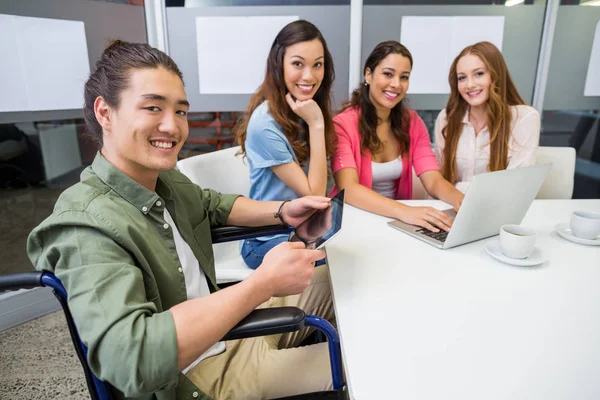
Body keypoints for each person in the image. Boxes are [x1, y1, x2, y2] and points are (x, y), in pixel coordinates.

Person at [27, 40, 336, 400]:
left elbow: (209, 204)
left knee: (335, 274)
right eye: (153, 108)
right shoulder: (84, 225)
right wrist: (261, 284)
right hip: (199, 377)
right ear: (105, 112)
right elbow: (132, 360)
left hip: (227, 326)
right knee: (364, 359)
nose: (172, 127)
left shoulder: (161, 178)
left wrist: (283, 211)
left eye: (181, 112)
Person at [331, 41, 464, 233]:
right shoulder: (342, 125)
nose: (396, 84)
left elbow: (433, 180)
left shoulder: (413, 123)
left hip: (395, 222)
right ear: (368, 74)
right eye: (388, 74)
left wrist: (462, 201)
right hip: (352, 219)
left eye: (404, 77)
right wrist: (404, 211)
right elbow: (348, 189)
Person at [235, 20, 335, 268]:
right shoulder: (265, 123)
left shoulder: (305, 109)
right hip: (264, 240)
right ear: (279, 64)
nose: (309, 76)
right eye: (297, 64)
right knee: (337, 265)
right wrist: (317, 125)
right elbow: (315, 196)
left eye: (317, 65)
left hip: (304, 230)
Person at [434, 41, 541, 194]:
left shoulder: (524, 118)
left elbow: (517, 186)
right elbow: (438, 180)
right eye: (462, 78)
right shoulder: (446, 118)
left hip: (500, 211)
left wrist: (456, 188)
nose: (469, 84)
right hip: (454, 209)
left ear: (496, 75)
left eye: (479, 74)